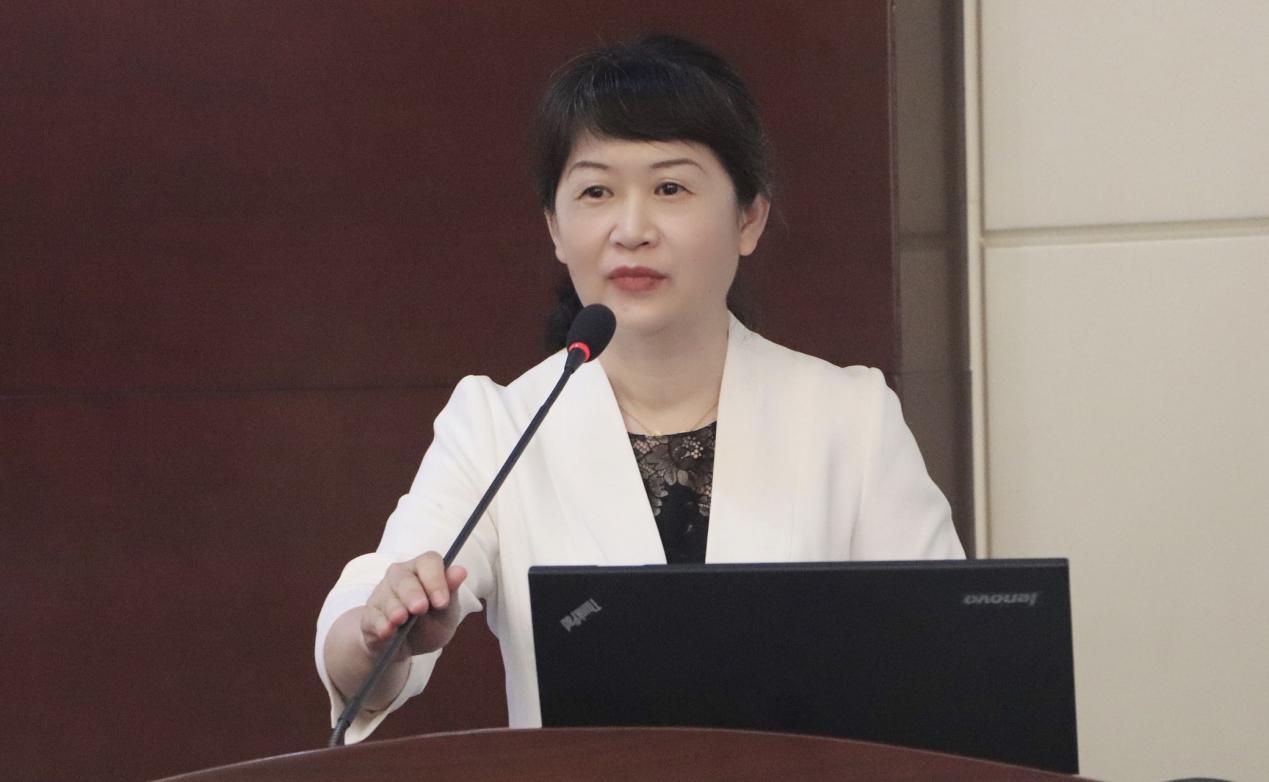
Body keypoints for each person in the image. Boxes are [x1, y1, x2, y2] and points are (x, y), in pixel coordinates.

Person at [316, 34, 964, 742]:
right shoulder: (499, 425)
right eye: (596, 192)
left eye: (670, 188)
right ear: (555, 228)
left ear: (748, 218)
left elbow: (941, 658)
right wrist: (380, 635)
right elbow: (369, 623)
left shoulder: (849, 417)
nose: (631, 230)